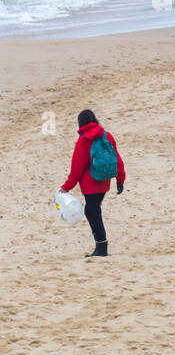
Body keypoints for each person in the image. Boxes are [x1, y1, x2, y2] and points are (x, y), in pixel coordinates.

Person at [59, 108, 124, 257]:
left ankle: (101, 247)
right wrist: (120, 180)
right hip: (104, 180)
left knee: (92, 211)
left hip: (90, 183)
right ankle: (101, 246)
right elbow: (117, 160)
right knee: (93, 210)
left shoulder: (84, 140)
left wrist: (66, 187)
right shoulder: (107, 136)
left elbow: (77, 167)